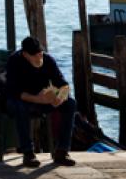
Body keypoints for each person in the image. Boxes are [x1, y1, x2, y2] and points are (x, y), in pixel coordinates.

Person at [6, 35, 76, 168]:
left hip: (43, 100)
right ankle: (28, 153)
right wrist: (38, 99)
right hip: (20, 100)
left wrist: (60, 97)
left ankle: (62, 151)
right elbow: (14, 92)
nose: (39, 57)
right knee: (20, 107)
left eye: (40, 53)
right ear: (25, 54)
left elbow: (63, 84)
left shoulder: (48, 60)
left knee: (70, 104)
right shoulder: (14, 61)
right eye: (35, 55)